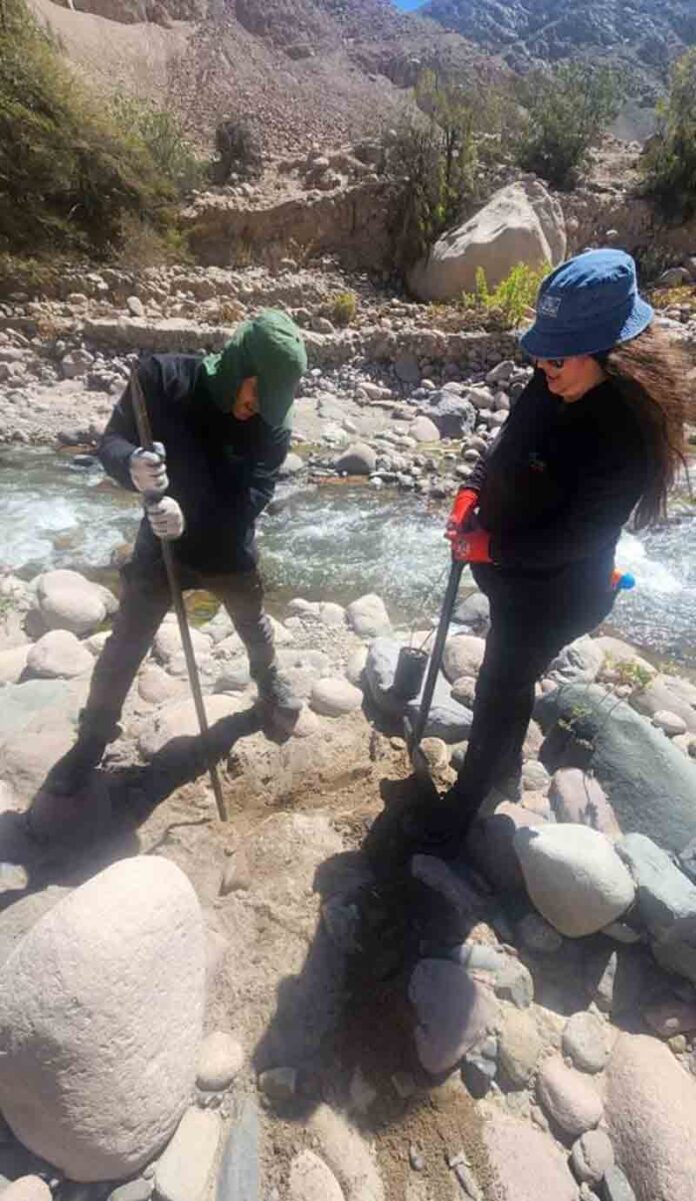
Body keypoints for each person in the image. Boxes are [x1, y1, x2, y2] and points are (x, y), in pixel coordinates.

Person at [423, 248, 693, 855]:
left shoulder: (626, 436)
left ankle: (464, 810)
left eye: (558, 353)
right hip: (510, 570)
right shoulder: (551, 380)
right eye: (540, 351)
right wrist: (471, 490)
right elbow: (504, 448)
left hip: (559, 593)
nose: (543, 364)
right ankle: (501, 774)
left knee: (500, 682)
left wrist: (489, 543)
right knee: (506, 680)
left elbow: (578, 538)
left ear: (609, 355)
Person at [42, 309, 308, 798]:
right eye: (256, 394)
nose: (258, 408)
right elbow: (112, 443)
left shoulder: (272, 424)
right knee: (125, 643)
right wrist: (132, 466)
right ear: (238, 370)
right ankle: (93, 738)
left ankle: (267, 685)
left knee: (252, 622)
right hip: (161, 544)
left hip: (228, 546)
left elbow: (254, 498)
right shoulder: (159, 380)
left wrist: (195, 517)